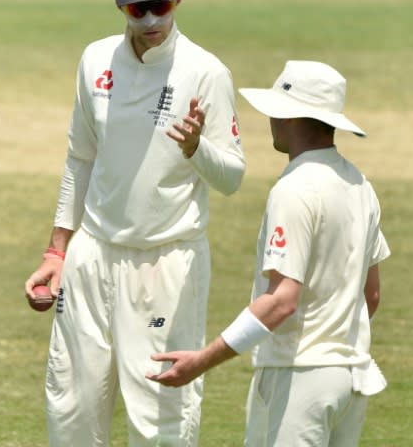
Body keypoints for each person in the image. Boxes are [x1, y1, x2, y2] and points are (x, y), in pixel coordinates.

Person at [25, 0, 246, 446]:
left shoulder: (206, 72)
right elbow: (80, 158)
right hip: (93, 252)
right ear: (120, 7)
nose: (149, 20)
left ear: (179, 0)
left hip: (166, 259)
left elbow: (232, 177)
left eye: (160, 7)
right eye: (135, 10)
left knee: (159, 416)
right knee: (72, 407)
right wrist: (57, 250)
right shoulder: (95, 60)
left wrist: (196, 149)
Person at [147, 60, 390, 446]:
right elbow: (370, 296)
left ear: (291, 118)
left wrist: (202, 361)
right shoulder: (360, 184)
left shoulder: (293, 190)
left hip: (298, 379)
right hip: (350, 380)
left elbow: (281, 301)